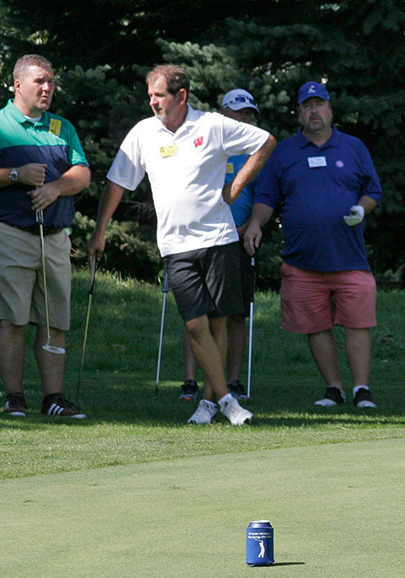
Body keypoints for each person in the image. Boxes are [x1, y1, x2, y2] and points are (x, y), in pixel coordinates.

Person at [90, 65, 275, 425]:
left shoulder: (212, 125)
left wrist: (235, 188)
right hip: (175, 245)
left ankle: (207, 404)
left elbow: (265, 141)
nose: (153, 102)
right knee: (194, 324)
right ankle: (226, 400)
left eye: (159, 95)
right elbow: (116, 183)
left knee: (218, 324)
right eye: (150, 96)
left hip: (218, 239)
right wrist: (100, 230)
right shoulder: (143, 133)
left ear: (181, 96)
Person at [244, 81, 382, 409]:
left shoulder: (353, 147)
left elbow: (373, 190)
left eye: (319, 105)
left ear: (330, 110)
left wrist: (362, 208)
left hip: (349, 256)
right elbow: (266, 197)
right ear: (300, 113)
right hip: (303, 259)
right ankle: (333, 388)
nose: (314, 111)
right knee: (316, 326)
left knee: (358, 324)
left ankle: (362, 389)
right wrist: (254, 224)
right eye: (307, 106)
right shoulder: (285, 152)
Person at [0, 54, 91, 419]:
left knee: (54, 320)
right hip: (8, 233)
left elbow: (83, 174)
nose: (47, 89)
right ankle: (14, 397)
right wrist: (15, 175)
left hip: (55, 237)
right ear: (18, 85)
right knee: (12, 319)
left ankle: (54, 399)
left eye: (50, 82)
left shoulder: (61, 128)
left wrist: (55, 188)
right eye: (40, 82)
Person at [178, 87, 262, 403]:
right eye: (239, 112)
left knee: (234, 313)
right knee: (195, 313)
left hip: (239, 239)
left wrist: (250, 226)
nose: (244, 119)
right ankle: (190, 380)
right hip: (199, 238)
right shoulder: (204, 144)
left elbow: (263, 197)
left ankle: (233, 380)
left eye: (248, 114)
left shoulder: (254, 151)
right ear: (223, 113)